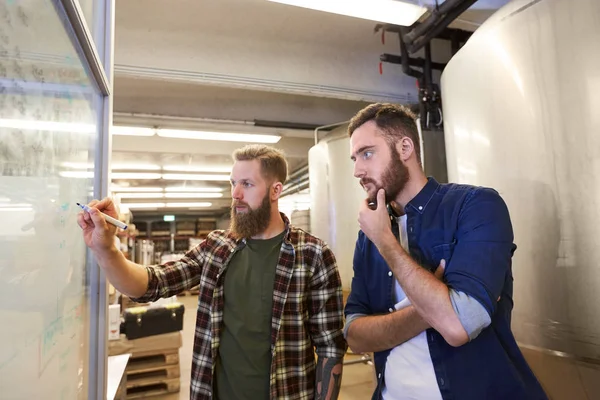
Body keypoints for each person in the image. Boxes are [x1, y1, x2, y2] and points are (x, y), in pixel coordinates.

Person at [78, 144, 346, 400]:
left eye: (247, 184)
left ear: (275, 191)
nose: (235, 193)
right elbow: (151, 283)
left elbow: (330, 347)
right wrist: (106, 249)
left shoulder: (313, 255)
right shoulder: (217, 247)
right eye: (233, 183)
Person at [344, 103, 547, 400]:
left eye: (367, 153)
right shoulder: (368, 236)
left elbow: (458, 327)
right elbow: (355, 335)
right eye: (354, 158)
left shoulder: (475, 206)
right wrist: (433, 306)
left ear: (404, 148)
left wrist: (386, 242)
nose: (357, 170)